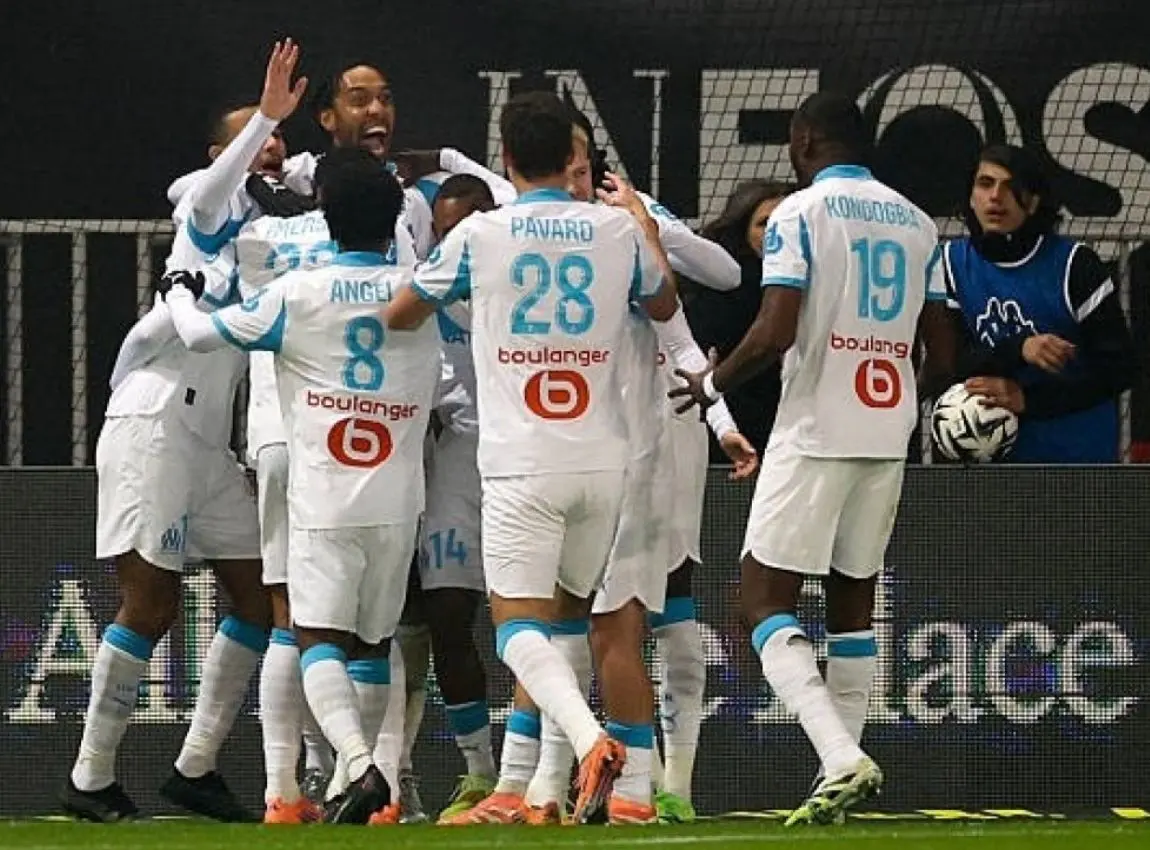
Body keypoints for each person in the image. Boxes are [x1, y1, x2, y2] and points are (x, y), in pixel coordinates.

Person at [384, 90, 686, 824]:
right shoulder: (617, 231)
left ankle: (587, 742)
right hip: (602, 461)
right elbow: (665, 304)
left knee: (519, 629)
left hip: (523, 460)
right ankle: (539, 791)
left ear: (508, 158)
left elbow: (400, 313)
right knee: (568, 622)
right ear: (572, 156)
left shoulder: (480, 233)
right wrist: (643, 231)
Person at [671, 91, 955, 826]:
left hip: (814, 430)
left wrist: (711, 384)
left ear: (802, 141)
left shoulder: (800, 214)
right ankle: (841, 781)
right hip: (886, 431)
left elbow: (775, 330)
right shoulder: (920, 224)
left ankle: (839, 756)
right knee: (852, 604)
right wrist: (899, 399)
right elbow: (943, 354)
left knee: (761, 602)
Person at [59, 41, 308, 825]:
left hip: (210, 443)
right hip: (155, 420)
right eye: (258, 139)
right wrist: (264, 116)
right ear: (223, 155)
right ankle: (90, 777)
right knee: (151, 603)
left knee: (259, 597)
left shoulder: (274, 227)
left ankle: (195, 766)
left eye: (279, 138)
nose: (273, 147)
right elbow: (210, 190)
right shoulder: (201, 216)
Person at [164, 147, 442, 825]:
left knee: (314, 637)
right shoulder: (424, 290)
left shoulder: (296, 294)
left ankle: (355, 766)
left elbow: (196, 335)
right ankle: (367, 789)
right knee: (373, 644)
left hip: (323, 494)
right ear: (394, 219)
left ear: (327, 218)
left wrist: (178, 287)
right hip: (399, 499)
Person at [943, 144, 1136, 462]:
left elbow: (1119, 369)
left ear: (1033, 202)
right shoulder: (951, 264)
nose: (996, 197)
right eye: (986, 184)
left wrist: (1029, 400)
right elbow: (953, 363)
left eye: (1011, 187)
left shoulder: (1075, 266)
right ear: (971, 197)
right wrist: (1020, 349)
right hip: (993, 465)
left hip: (1077, 456)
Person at [690, 180, 795, 459]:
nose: (776, 231)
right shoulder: (715, 293)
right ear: (743, 232)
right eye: (764, 223)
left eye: (785, 221)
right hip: (733, 428)